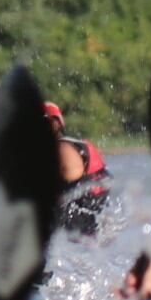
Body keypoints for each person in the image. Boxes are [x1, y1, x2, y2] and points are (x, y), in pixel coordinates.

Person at [50, 101, 114, 237]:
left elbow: (70, 175)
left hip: (77, 222)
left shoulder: (63, 149)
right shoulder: (73, 144)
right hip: (90, 222)